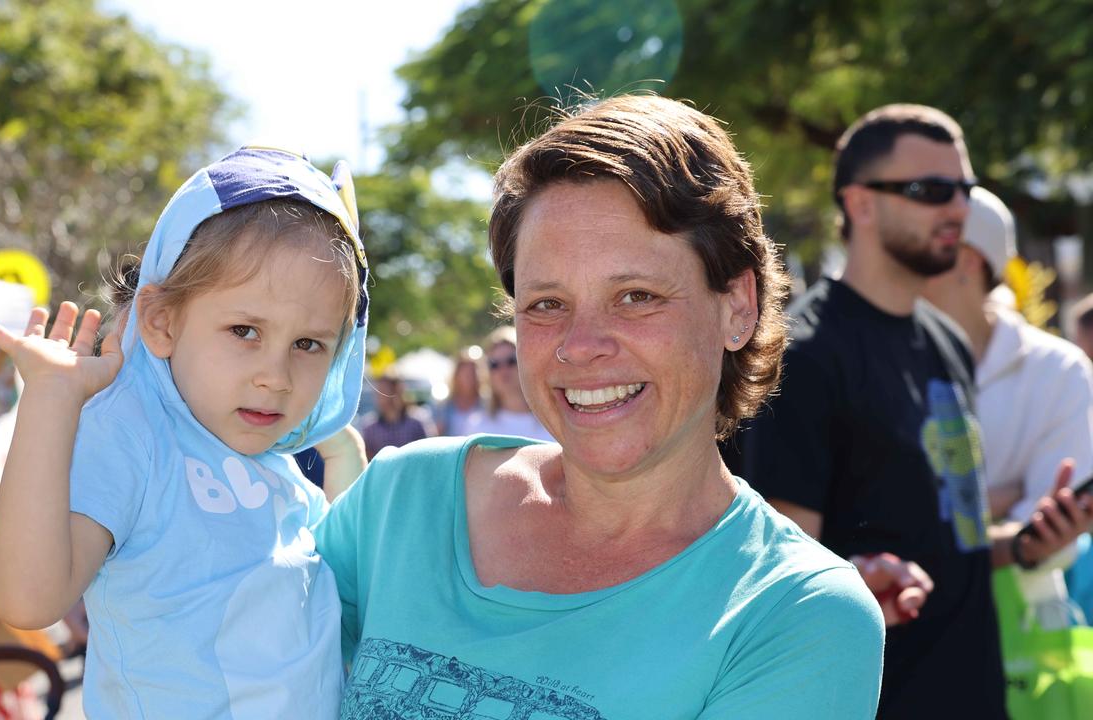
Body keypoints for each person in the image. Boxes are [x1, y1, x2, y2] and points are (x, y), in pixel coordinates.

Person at [314, 95, 884, 719]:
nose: (581, 346)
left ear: (737, 306)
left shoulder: (795, 614)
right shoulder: (401, 501)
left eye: (636, 296)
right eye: (546, 304)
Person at [0, 147, 371, 719]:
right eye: (244, 330)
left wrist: (342, 450)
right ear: (161, 320)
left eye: (308, 345)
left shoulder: (276, 466)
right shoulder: (136, 436)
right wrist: (50, 400)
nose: (276, 377)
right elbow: (28, 599)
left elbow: (350, 590)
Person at [728, 104, 1093, 718]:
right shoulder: (806, 356)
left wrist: (1028, 543)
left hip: (980, 693)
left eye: (966, 190)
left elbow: (951, 537)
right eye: (932, 190)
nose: (958, 209)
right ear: (860, 203)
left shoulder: (947, 343)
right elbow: (776, 572)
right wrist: (856, 576)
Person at [923, 186, 1093, 629]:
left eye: (926, 246)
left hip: (1025, 634)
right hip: (904, 633)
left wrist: (939, 513)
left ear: (969, 259)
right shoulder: (877, 362)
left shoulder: (1058, 369)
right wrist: (998, 501)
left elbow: (1050, 539)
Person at [462, 326, 553, 441]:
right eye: (494, 364)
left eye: (511, 361)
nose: (503, 370)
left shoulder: (553, 423)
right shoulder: (477, 427)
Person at [360, 371, 436, 459]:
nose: (381, 397)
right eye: (379, 392)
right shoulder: (370, 428)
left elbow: (429, 452)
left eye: (385, 391)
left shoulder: (417, 422)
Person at [435, 349, 485, 436]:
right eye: (465, 373)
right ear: (456, 375)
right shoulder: (444, 406)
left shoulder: (487, 404)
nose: (469, 377)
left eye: (472, 373)